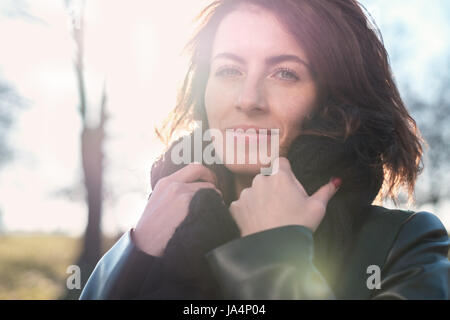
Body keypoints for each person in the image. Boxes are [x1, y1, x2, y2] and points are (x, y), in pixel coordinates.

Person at [80, 0, 450, 300]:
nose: (248, 99)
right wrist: (133, 254)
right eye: (228, 70)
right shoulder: (154, 227)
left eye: (285, 73)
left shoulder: (403, 244)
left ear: (333, 102)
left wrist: (274, 255)